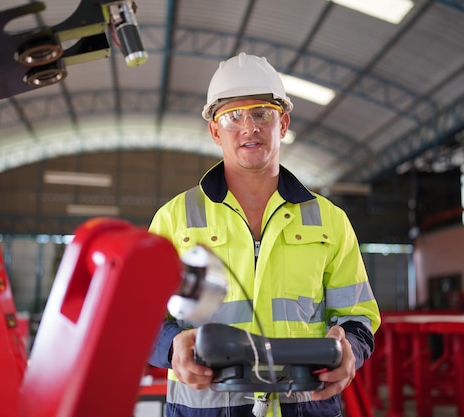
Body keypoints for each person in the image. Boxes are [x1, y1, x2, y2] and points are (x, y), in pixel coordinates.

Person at [148, 52, 381, 417]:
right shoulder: (174, 219)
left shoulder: (329, 220)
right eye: (232, 117)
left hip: (305, 407)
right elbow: (139, 317)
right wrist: (171, 344)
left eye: (262, 114)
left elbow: (358, 316)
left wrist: (349, 346)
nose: (249, 128)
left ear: (283, 124)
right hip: (208, 409)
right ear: (214, 131)